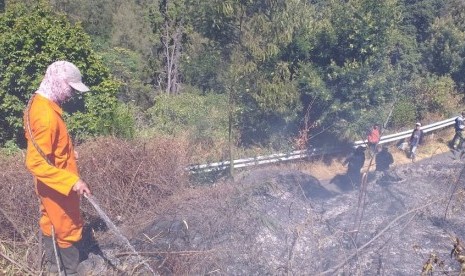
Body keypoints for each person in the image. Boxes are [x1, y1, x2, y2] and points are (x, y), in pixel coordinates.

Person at [24, 61, 92, 275]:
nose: (71, 93)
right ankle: (72, 271)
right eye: (70, 88)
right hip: (58, 186)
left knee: (50, 222)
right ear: (59, 82)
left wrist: (68, 153)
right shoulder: (46, 116)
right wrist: (72, 181)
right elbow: (35, 162)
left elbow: (44, 146)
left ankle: (55, 269)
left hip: (48, 184)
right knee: (67, 226)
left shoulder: (38, 102)